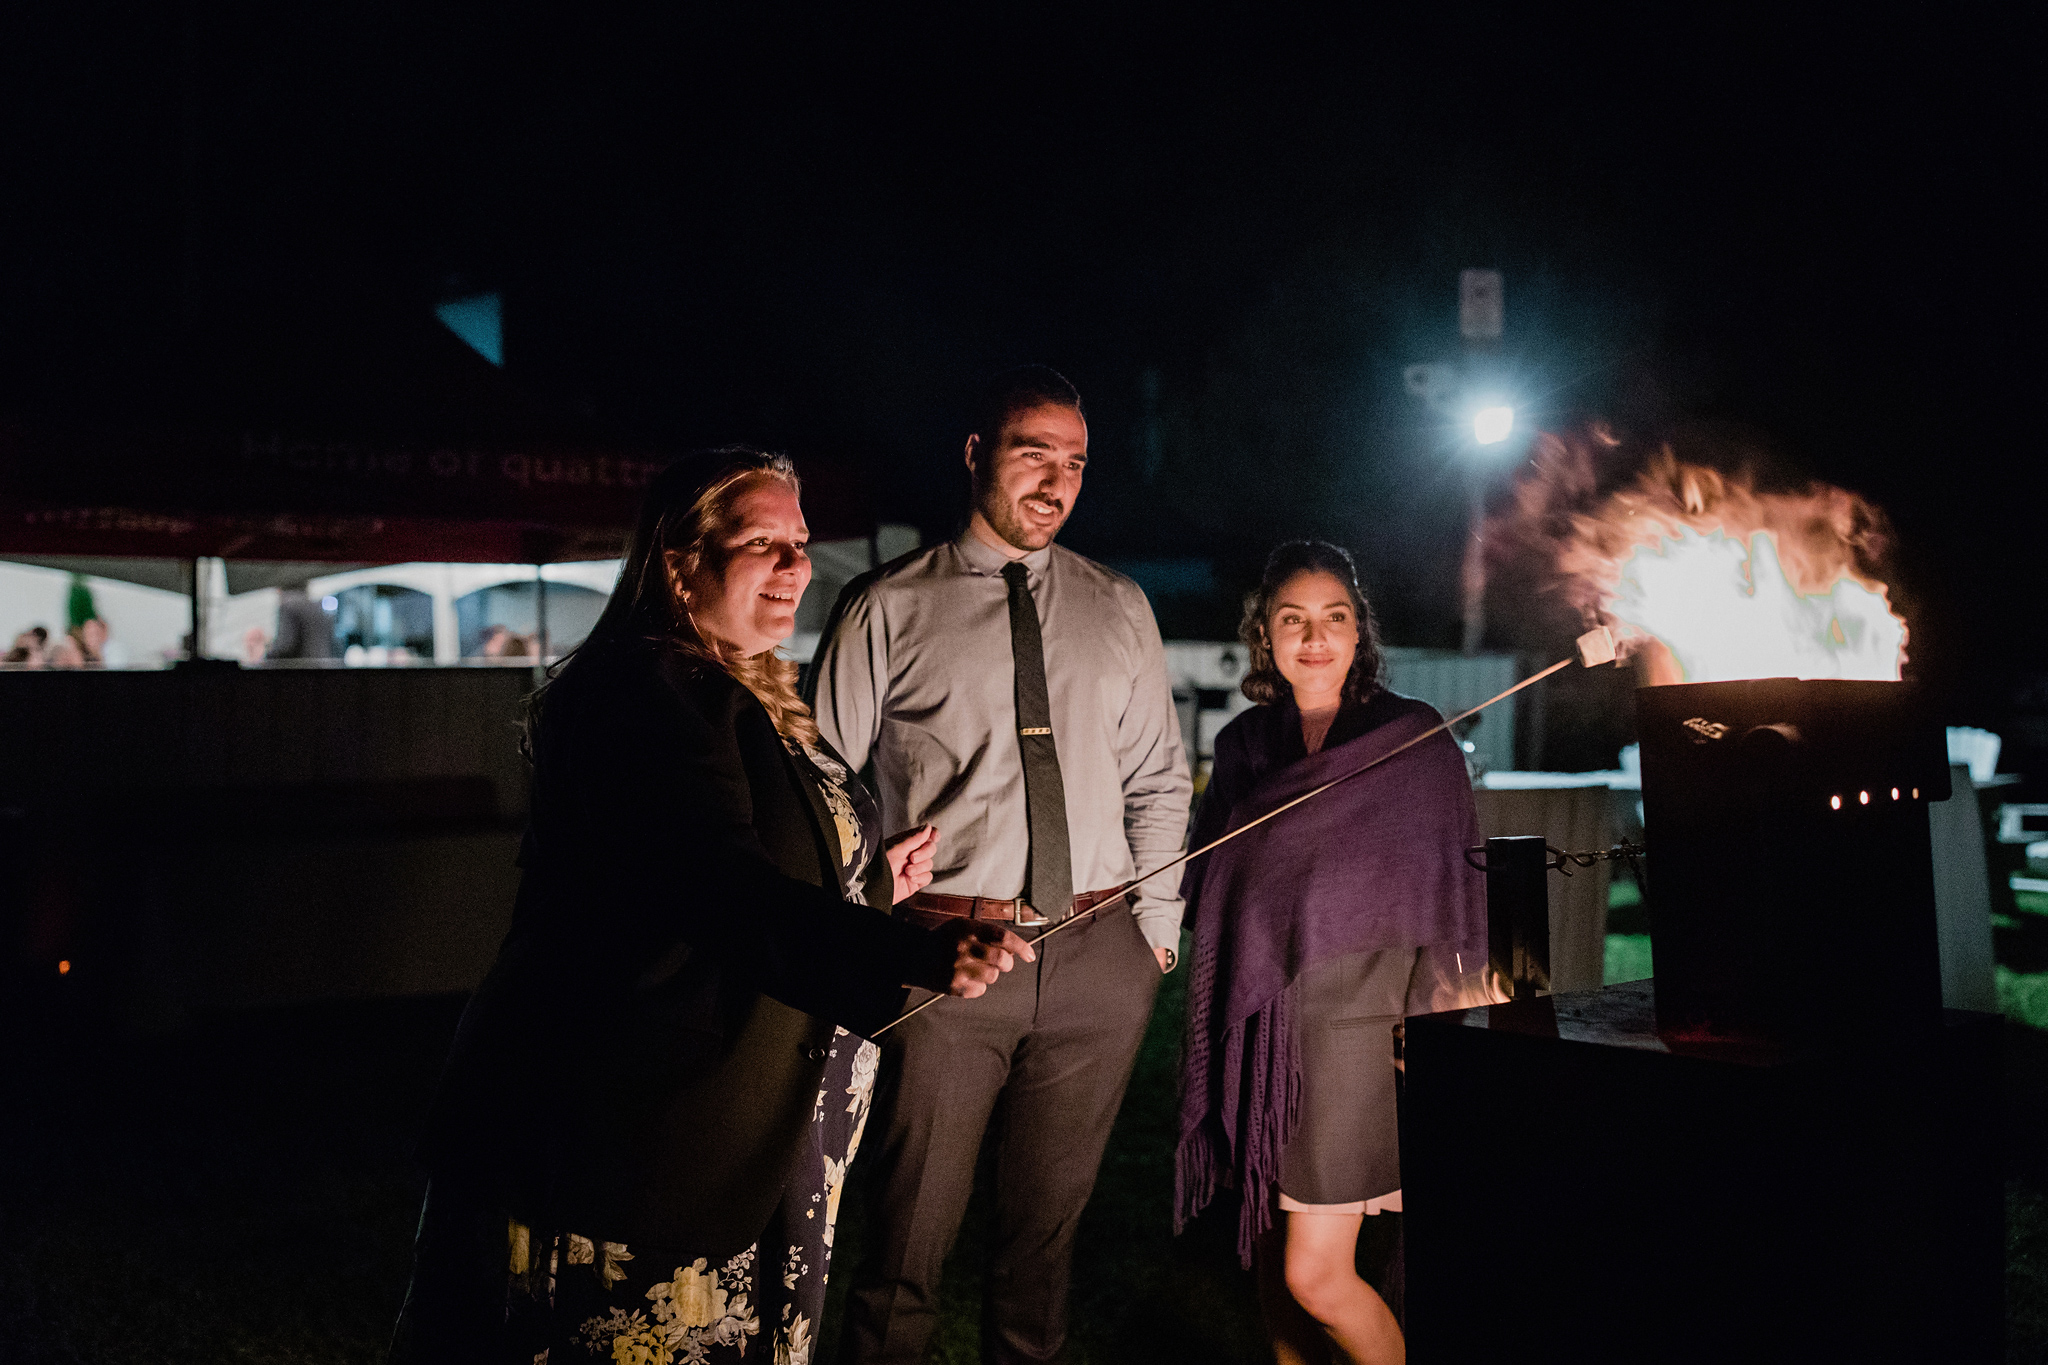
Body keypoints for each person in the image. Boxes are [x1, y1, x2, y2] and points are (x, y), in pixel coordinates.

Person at [389, 449, 1034, 1365]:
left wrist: (872, 880)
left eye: (801, 542)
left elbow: (747, 858)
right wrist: (917, 955)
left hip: (743, 1129)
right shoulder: (641, 692)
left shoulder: (746, 688)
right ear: (679, 562)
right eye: (761, 542)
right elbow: (712, 885)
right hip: (631, 1141)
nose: (795, 565)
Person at [811, 366, 1193, 1365]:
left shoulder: (1117, 606)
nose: (1056, 480)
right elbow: (818, 784)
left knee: (1042, 1251)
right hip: (944, 960)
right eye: (1034, 452)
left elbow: (1158, 776)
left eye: (1073, 462)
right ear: (976, 454)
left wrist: (1153, 933)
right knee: (904, 1244)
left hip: (1098, 957)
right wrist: (868, 893)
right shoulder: (886, 605)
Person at [1174, 540, 1492, 1365]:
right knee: (1276, 1274)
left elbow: (1454, 878)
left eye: (1334, 618)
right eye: (1293, 619)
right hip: (1265, 1018)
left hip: (1360, 1024)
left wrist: (1438, 1008)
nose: (1314, 637)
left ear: (1361, 631)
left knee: (1319, 1274)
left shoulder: (1410, 739)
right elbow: (1212, 872)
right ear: (1265, 634)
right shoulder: (1248, 744)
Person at [268, 585, 337, 660]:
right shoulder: (318, 607)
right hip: (322, 664)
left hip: (300, 665)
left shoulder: (287, 606)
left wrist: (266, 658)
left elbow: (284, 646)